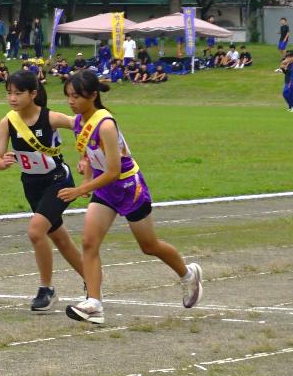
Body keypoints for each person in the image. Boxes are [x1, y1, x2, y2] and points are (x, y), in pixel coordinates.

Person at [56, 72, 202, 325]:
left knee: (149, 246)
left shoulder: (106, 125)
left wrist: (80, 190)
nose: (71, 101)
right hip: (104, 189)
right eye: (68, 96)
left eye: (76, 96)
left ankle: (188, 274)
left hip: (128, 187)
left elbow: (114, 170)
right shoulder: (80, 122)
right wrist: (86, 176)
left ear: (93, 95)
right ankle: (94, 304)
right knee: (89, 243)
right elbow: (89, 155)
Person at [0, 68, 86, 311]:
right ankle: (92, 278)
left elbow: (83, 128)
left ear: (33, 94)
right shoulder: (7, 122)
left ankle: (47, 289)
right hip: (31, 186)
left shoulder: (51, 118)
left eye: (18, 93)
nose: (13, 98)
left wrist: (84, 157)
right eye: (9, 93)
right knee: (60, 238)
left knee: (36, 231)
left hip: (58, 181)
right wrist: (2, 163)